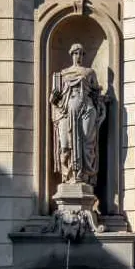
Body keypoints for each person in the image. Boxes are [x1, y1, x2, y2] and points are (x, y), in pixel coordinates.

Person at [50, 43, 107, 186]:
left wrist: (102, 104)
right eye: (76, 53)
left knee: (87, 142)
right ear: (71, 54)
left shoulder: (89, 72)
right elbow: (54, 100)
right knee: (66, 144)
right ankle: (68, 176)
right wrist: (53, 97)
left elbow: (96, 94)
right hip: (67, 110)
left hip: (87, 108)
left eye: (81, 53)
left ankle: (85, 177)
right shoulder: (63, 74)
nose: (79, 56)